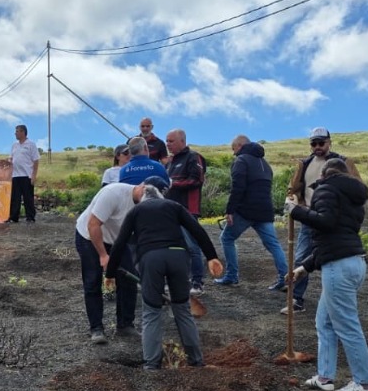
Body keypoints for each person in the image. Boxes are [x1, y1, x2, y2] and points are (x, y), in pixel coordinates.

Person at [106, 177, 224, 370]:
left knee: (152, 312)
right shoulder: (173, 206)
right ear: (160, 195)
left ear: (143, 198)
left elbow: (120, 243)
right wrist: (212, 256)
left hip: (151, 259)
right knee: (182, 310)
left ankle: (152, 365)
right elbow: (197, 230)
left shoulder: (136, 211)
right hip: (178, 257)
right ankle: (196, 361)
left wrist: (110, 273)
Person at [285, 158, 368, 391]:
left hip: (338, 267)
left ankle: (364, 383)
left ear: (324, 174)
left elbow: (325, 223)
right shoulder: (353, 197)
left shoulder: (326, 189)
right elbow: (335, 236)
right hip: (353, 262)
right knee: (324, 322)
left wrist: (296, 211)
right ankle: (325, 377)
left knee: (347, 325)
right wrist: (304, 267)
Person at [284, 127, 361, 313]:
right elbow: (293, 188)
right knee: (301, 257)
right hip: (309, 217)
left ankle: (336, 302)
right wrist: (296, 197)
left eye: (321, 143)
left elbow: (358, 187)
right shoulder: (306, 163)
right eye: (313, 143)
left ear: (329, 142)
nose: (317, 147)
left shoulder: (342, 162)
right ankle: (296, 299)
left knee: (334, 258)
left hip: (334, 219)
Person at [74, 181, 145, 345]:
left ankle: (125, 325)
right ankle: (96, 328)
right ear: (141, 187)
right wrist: (103, 256)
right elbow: (93, 225)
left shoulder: (146, 204)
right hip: (89, 237)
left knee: (129, 279)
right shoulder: (113, 194)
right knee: (93, 280)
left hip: (117, 241)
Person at [214, 135, 288, 288]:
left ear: (240, 146)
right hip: (265, 210)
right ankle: (285, 279)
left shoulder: (241, 161)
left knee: (227, 238)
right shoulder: (265, 164)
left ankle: (231, 275)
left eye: (234, 150)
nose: (234, 154)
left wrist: (230, 210)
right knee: (273, 244)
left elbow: (237, 187)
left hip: (245, 211)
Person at [165, 128, 207, 296]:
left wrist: (172, 183)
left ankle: (198, 283)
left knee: (192, 247)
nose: (168, 144)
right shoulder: (170, 162)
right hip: (170, 210)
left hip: (188, 210)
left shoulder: (194, 157)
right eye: (167, 141)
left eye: (171, 141)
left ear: (182, 141)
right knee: (172, 247)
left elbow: (196, 180)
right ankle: (176, 281)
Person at [8, 124, 40, 223]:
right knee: (15, 198)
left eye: (17, 131)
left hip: (27, 175)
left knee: (28, 198)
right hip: (15, 175)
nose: (15, 133)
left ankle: (30, 217)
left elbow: (36, 160)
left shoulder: (31, 144)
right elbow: (11, 157)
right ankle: (14, 217)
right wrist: (9, 160)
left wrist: (33, 175)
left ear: (23, 132)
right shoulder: (14, 145)